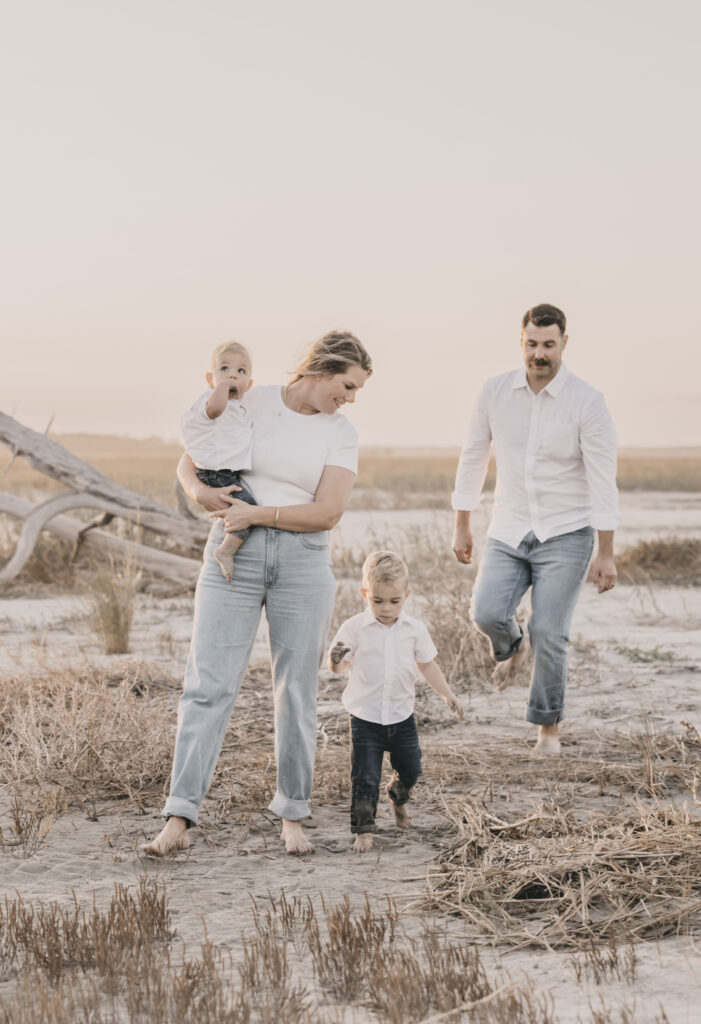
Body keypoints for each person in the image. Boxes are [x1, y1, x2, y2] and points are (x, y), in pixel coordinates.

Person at [144, 330, 372, 857]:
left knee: (296, 693)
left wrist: (259, 513)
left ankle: (292, 814)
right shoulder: (253, 396)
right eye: (347, 385)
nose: (351, 398)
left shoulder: (342, 433)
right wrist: (201, 492)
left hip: (303, 562)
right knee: (207, 686)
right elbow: (192, 453)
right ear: (319, 369)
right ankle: (178, 818)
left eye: (357, 390)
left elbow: (328, 511)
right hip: (232, 555)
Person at [451, 303, 619, 755]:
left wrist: (605, 552)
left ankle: (547, 728)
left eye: (548, 344)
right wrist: (462, 524)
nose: (539, 353)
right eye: (531, 344)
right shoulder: (494, 392)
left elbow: (603, 480)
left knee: (550, 629)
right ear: (520, 342)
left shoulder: (588, 402)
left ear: (565, 342)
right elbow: (472, 458)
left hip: (567, 532)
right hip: (508, 527)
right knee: (486, 613)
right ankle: (512, 646)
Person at [327, 550, 464, 852]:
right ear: (365, 594)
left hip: (402, 717)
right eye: (377, 601)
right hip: (365, 717)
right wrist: (335, 660)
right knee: (365, 776)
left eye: (394, 601)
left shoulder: (414, 630)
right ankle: (364, 830)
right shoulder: (354, 628)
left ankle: (397, 797)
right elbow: (339, 667)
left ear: (407, 595)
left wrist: (447, 694)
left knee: (412, 769)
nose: (386, 608)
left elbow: (427, 664)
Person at [180, 341, 256, 582]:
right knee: (247, 510)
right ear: (209, 378)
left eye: (241, 371)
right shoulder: (209, 401)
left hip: (225, 473)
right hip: (215, 474)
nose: (232, 374)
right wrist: (222, 387)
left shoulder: (240, 407)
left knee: (243, 511)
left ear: (250, 384)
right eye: (224, 369)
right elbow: (214, 409)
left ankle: (228, 546)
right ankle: (225, 550)